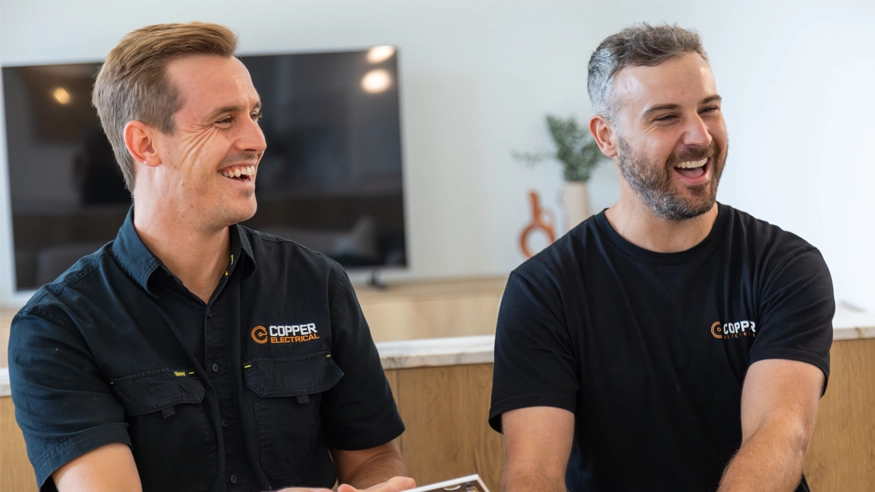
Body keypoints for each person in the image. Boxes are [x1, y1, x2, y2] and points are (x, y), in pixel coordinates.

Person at [9, 22, 415, 492]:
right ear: (145, 144)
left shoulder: (318, 282)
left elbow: (376, 457)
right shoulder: (57, 328)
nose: (258, 140)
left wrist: (378, 485)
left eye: (254, 114)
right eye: (224, 119)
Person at [489, 23, 832, 492]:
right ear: (607, 137)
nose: (699, 136)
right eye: (666, 118)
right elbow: (534, 473)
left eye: (709, 109)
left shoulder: (784, 266)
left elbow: (780, 434)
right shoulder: (543, 289)